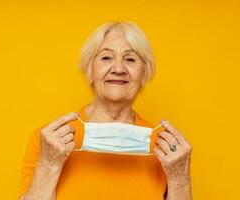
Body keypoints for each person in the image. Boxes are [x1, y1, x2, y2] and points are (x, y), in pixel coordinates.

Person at [19, 21, 192, 200]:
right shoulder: (50, 141)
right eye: (106, 58)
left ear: (144, 73)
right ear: (89, 69)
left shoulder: (166, 147)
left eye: (130, 59)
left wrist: (180, 178)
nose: (118, 69)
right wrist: (49, 163)